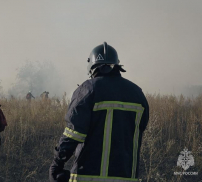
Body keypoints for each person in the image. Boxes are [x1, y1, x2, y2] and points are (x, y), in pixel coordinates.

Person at [49, 42, 149, 182]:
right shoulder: (138, 94)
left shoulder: (88, 89)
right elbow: (140, 129)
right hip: (127, 177)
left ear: (92, 67)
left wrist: (57, 165)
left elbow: (73, 134)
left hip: (89, 176)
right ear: (117, 65)